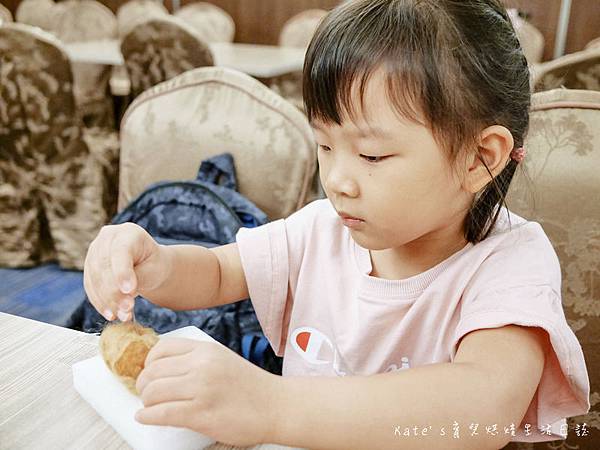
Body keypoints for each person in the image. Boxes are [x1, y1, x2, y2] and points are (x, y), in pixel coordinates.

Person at [83, 1, 590, 448]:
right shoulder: (324, 229)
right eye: (325, 145)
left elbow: (483, 408)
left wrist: (272, 405)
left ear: (481, 159)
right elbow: (217, 272)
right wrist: (155, 264)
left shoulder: (509, 263)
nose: (338, 181)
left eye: (371, 154)